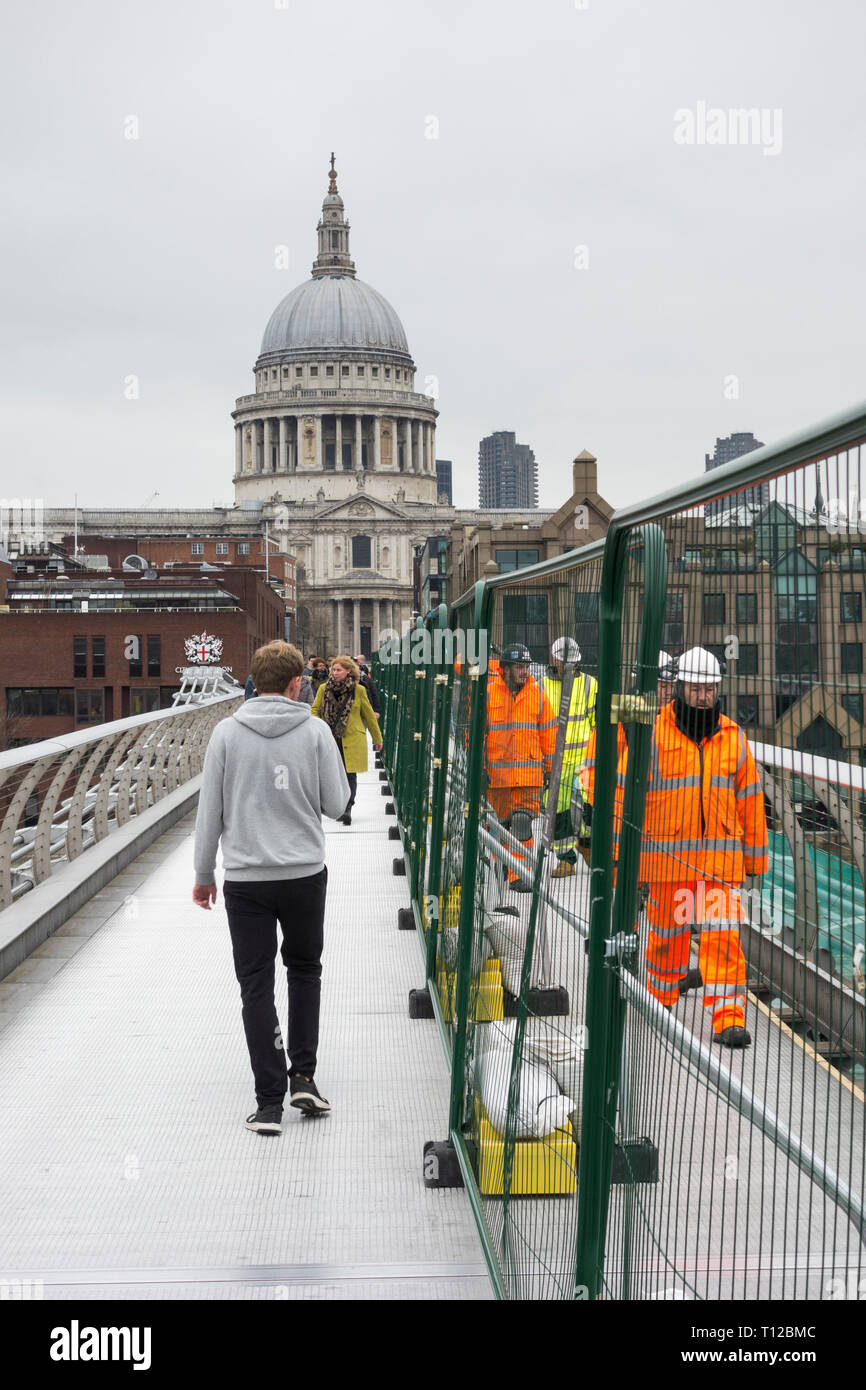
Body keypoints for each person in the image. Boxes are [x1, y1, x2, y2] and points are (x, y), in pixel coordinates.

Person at [192, 640, 350, 1134]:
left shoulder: (225, 734)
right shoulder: (316, 730)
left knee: (255, 986)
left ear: (255, 683)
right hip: (304, 873)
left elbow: (209, 813)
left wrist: (203, 875)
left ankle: (268, 1103)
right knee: (304, 972)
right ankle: (303, 1075)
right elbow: (336, 803)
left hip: (245, 880)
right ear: (296, 683)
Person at [580, 647, 768, 1048]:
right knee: (666, 937)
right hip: (667, 861)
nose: (703, 696)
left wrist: (754, 859)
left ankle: (728, 1018)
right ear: (681, 687)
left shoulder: (733, 738)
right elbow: (620, 794)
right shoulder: (647, 728)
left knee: (723, 936)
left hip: (719, 862)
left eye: (710, 689)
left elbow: (750, 800)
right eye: (696, 688)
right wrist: (618, 860)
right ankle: (661, 997)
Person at [485, 642, 558, 891]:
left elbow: (549, 735)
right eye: (518, 667)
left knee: (522, 823)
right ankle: (501, 867)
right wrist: (480, 769)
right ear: (504, 669)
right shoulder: (489, 694)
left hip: (528, 777)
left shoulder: (537, 695)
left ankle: (520, 874)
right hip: (497, 778)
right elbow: (476, 736)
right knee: (499, 825)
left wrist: (550, 770)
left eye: (526, 666)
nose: (524, 671)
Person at [542, 637, 598, 879]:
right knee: (559, 811)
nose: (569, 668)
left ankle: (587, 845)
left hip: (584, 760)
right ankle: (566, 860)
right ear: (554, 660)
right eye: (565, 662)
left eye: (573, 663)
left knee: (590, 807)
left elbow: (596, 724)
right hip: (556, 762)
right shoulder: (542, 686)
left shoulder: (589, 684)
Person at [312, 654, 383, 826]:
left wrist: (377, 738)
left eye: (338, 670)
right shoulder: (323, 689)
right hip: (330, 737)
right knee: (332, 774)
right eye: (333, 670)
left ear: (348, 671)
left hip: (351, 737)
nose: (334, 673)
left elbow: (368, 715)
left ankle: (347, 808)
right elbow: (315, 710)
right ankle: (335, 805)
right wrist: (319, 727)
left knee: (350, 773)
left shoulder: (359, 690)